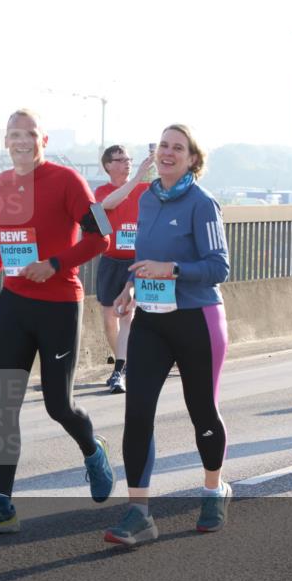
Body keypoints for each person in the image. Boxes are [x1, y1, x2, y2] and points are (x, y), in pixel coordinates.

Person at [0, 109, 114, 534]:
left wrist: (55, 263)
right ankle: (4, 503)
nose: (22, 141)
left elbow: (100, 237)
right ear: (5, 141)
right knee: (3, 403)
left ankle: (92, 448)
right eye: (14, 135)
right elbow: (6, 237)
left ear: (42, 139)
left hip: (59, 305)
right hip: (14, 304)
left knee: (57, 404)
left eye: (29, 134)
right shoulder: (1, 185)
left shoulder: (67, 181)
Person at [105, 123, 231, 546]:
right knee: (137, 412)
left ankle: (213, 491)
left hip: (198, 319)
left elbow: (219, 268)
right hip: (152, 321)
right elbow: (144, 255)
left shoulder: (202, 203)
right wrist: (129, 286)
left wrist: (173, 270)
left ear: (193, 159)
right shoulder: (147, 199)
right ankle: (138, 513)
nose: (168, 152)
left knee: (202, 411)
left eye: (178, 148)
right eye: (163, 145)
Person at [93, 145, 154, 393]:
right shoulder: (101, 191)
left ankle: (119, 369)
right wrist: (140, 174)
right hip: (110, 260)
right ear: (108, 165)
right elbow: (107, 206)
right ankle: (123, 363)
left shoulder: (145, 190)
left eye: (129, 159)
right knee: (110, 318)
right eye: (120, 160)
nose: (127, 163)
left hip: (135, 262)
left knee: (127, 314)